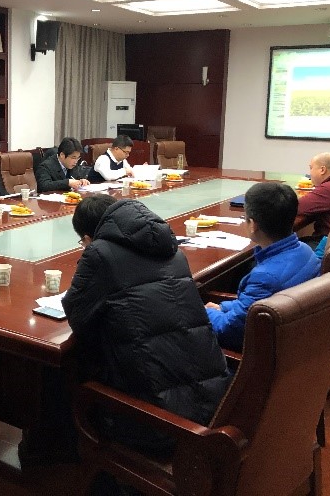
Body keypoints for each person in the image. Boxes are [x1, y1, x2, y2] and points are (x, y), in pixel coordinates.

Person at [63, 194, 231, 453]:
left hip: (162, 425)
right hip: (217, 405)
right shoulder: (171, 248)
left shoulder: (99, 253)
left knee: (73, 374)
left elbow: (78, 316)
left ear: (88, 237)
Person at [205, 182, 321, 351]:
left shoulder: (265, 277)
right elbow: (253, 306)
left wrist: (205, 312)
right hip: (294, 340)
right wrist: (223, 307)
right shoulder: (306, 251)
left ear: (253, 225)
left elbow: (228, 331)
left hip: (263, 354)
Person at [297, 152, 330, 239]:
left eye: (311, 168)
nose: (310, 173)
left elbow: (296, 207)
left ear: (322, 170)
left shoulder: (328, 188)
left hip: (327, 241)